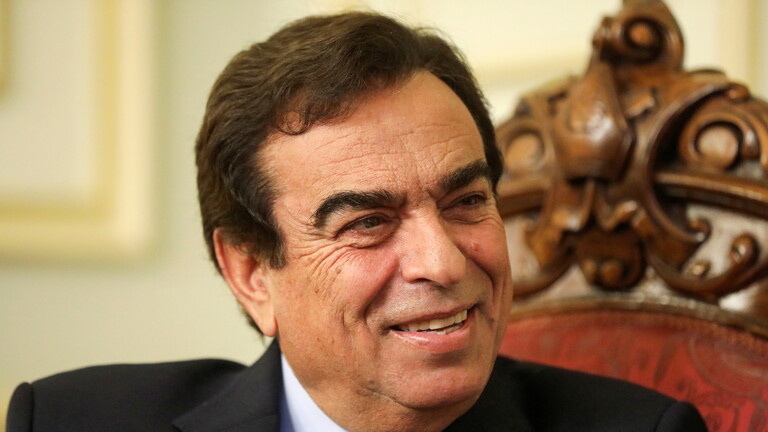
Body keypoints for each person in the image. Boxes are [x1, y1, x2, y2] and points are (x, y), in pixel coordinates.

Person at [6, 12, 707, 432]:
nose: (443, 262)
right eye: (368, 222)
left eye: (466, 201)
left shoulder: (643, 430)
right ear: (251, 273)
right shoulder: (72, 420)